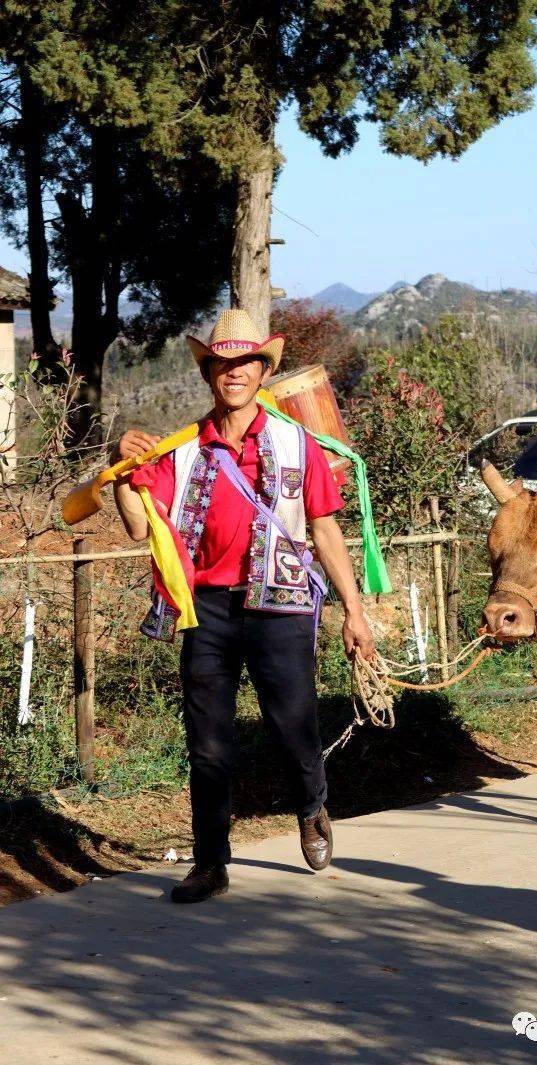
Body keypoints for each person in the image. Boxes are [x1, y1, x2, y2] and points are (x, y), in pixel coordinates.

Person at [112, 308, 376, 904]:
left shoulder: (294, 442)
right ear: (209, 373)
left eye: (244, 361)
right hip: (205, 608)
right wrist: (125, 468)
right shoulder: (181, 450)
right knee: (207, 742)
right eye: (221, 362)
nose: (233, 372)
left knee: (292, 727)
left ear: (262, 369)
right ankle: (210, 864)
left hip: (279, 606)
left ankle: (310, 804)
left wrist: (354, 612)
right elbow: (136, 528)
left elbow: (326, 530)